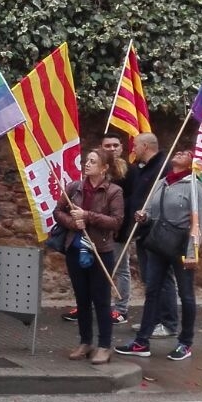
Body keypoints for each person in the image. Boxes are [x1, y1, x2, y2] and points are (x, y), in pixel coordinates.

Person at [116, 144, 202, 361]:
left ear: (192, 163)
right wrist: (144, 216)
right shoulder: (161, 183)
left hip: (181, 247)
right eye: (179, 151)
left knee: (186, 295)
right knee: (152, 292)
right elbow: (152, 212)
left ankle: (185, 343)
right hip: (158, 246)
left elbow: (198, 223)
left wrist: (193, 252)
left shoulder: (194, 187)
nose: (180, 152)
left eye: (186, 153)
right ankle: (142, 341)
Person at [54, 148, 124, 365]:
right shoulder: (74, 188)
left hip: (100, 251)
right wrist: (73, 222)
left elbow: (116, 221)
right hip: (75, 248)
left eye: (93, 162)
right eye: (86, 161)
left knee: (101, 300)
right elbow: (58, 212)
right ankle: (86, 342)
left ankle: (104, 345)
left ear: (104, 168)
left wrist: (88, 216)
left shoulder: (114, 191)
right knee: (82, 299)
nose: (87, 164)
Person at [126, 131, 179, 338]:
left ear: (146, 147)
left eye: (136, 146)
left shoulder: (163, 168)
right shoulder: (142, 168)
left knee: (163, 278)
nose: (133, 150)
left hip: (157, 232)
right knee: (150, 279)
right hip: (142, 231)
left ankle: (168, 322)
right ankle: (152, 320)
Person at [101, 133, 134, 324]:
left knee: (121, 268)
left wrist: (123, 227)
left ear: (121, 147)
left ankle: (120, 309)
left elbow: (131, 201)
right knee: (93, 267)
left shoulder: (129, 171)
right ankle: (92, 305)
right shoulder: (95, 168)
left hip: (118, 228)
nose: (112, 149)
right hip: (96, 227)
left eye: (115, 145)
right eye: (108, 146)